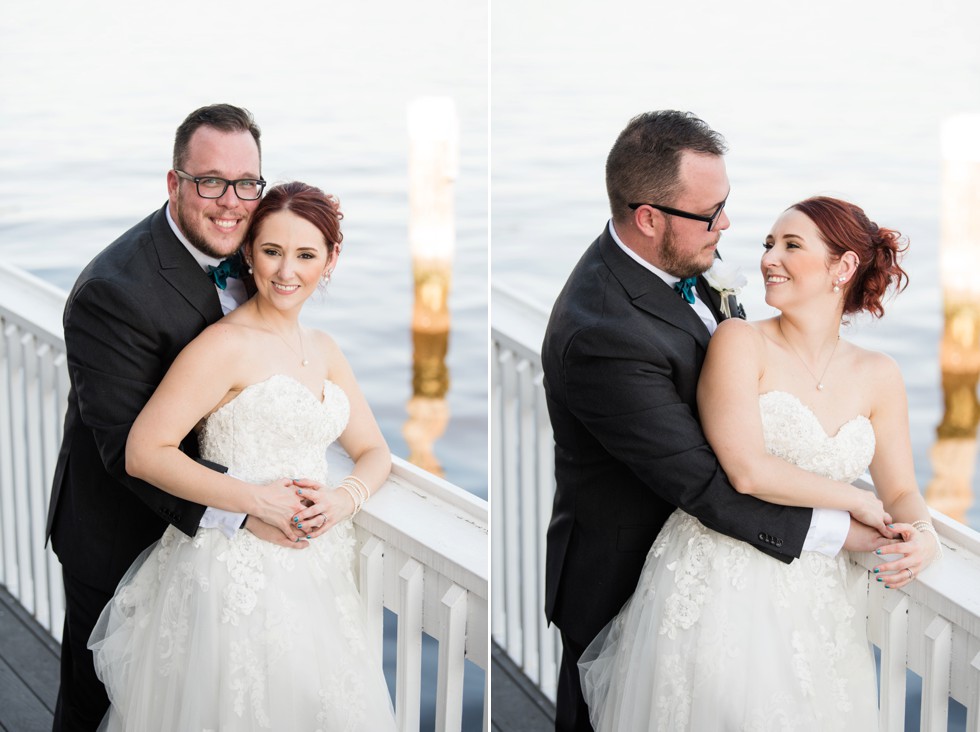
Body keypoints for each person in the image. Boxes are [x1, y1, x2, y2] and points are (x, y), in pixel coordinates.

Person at [540, 111, 895, 732]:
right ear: (648, 217)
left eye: (724, 206)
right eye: (711, 215)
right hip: (633, 577)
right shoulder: (602, 332)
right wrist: (843, 527)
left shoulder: (680, 249)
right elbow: (709, 481)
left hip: (739, 579)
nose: (727, 226)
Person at [579, 195, 942, 730]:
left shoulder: (879, 374)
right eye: (769, 244)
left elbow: (902, 490)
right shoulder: (739, 340)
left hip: (816, 597)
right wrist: (855, 501)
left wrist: (923, 532)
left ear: (842, 267)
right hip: (721, 580)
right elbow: (746, 469)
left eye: (792, 245)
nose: (770, 258)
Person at [89, 180, 398, 730]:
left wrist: (342, 498)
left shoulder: (324, 350)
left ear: (331, 258)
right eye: (272, 251)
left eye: (305, 255)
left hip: (316, 573)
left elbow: (374, 450)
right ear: (249, 252)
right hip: (231, 572)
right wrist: (255, 502)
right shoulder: (222, 345)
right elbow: (144, 451)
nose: (286, 272)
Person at [46, 104, 308, 731]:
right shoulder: (113, 291)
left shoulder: (258, 249)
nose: (231, 201)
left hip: (220, 558)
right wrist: (246, 508)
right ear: (174, 184)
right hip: (121, 538)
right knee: (103, 707)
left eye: (247, 183)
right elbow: (124, 454)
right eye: (210, 181)